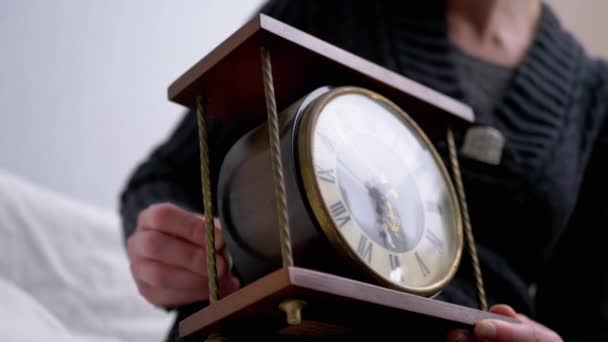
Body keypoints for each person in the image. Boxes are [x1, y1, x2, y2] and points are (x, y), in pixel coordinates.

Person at [119, 0, 608, 341]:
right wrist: (176, 249)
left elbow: (581, 313)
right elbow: (166, 177)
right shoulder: (331, 8)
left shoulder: (595, 95)